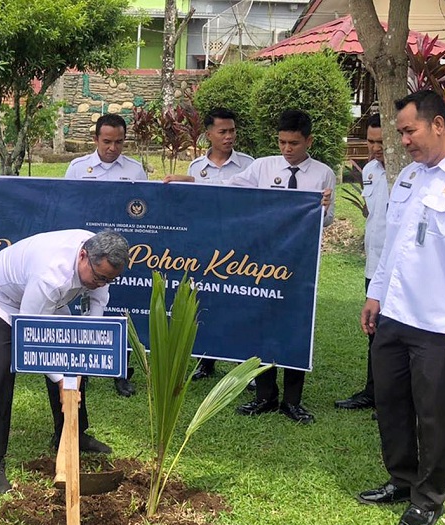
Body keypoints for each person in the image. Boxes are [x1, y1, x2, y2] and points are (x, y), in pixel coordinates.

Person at [357, 90, 445, 525]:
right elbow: (393, 244)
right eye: (400, 133)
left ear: (438, 124)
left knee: (434, 414)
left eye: (409, 131)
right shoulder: (409, 177)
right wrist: (376, 294)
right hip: (395, 313)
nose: (403, 141)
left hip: (439, 324)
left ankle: (429, 497)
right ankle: (401, 479)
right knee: (390, 402)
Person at [0, 230, 127, 493]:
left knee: (72, 356)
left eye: (109, 279)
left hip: (42, 300)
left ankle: (72, 435)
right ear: (83, 256)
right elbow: (30, 337)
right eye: (99, 277)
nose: (102, 283)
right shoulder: (51, 274)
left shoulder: (103, 259)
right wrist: (62, 379)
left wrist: (82, 350)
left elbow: (97, 304)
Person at [232, 109, 335, 424]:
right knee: (263, 324)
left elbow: (327, 221)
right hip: (263, 262)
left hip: (300, 263)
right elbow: (230, 191)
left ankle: (292, 401)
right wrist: (190, 182)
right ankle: (264, 396)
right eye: (282, 142)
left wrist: (323, 208)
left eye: (294, 143)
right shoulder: (262, 167)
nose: (287, 149)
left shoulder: (323, 174)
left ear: (309, 141)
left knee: (295, 326)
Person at [162, 107, 255, 382]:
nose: (229, 137)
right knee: (205, 300)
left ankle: (243, 365)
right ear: (208, 134)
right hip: (205, 246)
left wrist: (192, 182)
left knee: (238, 302)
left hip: (238, 245)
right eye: (222, 131)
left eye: (232, 131)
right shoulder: (196, 167)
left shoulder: (250, 164)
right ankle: (206, 361)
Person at [65, 113, 147, 398]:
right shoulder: (78, 168)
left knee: (121, 311)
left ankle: (121, 372)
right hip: (88, 256)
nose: (113, 148)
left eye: (119, 142)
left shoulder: (135, 170)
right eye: (107, 141)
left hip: (118, 256)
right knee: (82, 309)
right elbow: (68, 206)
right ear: (95, 139)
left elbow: (142, 211)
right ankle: (81, 369)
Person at [336, 114, 388, 412]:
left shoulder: (405, 172)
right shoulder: (369, 170)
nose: (375, 147)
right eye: (371, 141)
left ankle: (391, 399)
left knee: (395, 335)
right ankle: (373, 391)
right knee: (374, 331)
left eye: (381, 141)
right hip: (373, 266)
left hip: (398, 269)